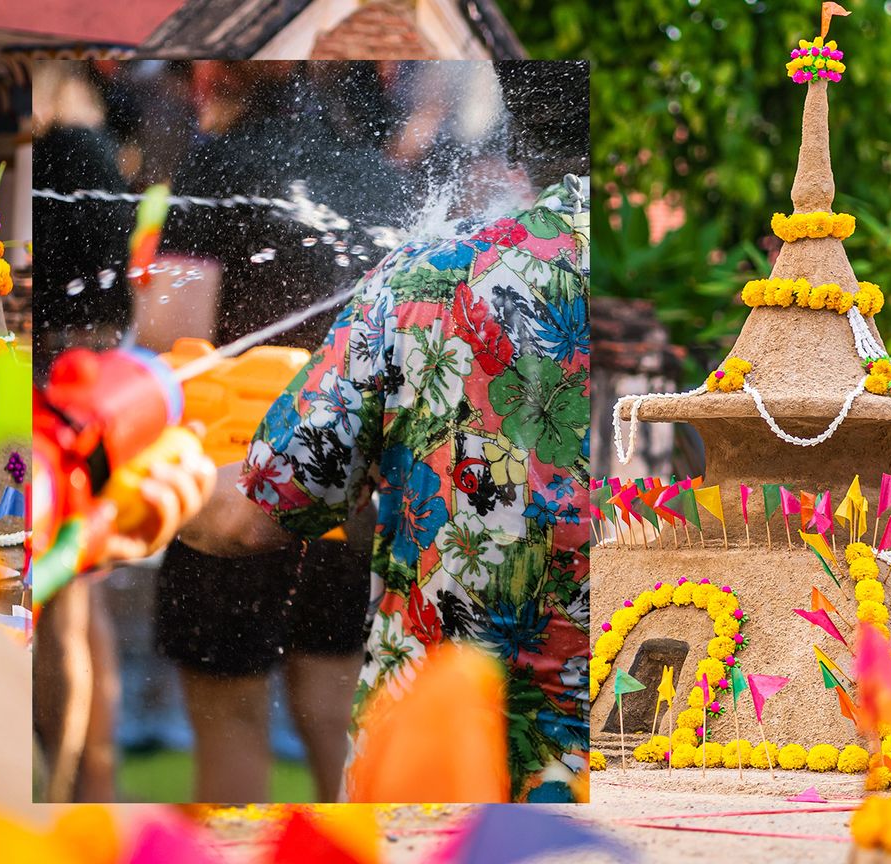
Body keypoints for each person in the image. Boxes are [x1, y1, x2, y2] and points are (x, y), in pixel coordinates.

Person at [179, 61, 592, 802]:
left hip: (439, 774)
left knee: (233, 720)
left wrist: (151, 479)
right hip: (620, 763)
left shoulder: (429, 275)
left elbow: (254, 511)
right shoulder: (694, 284)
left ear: (520, 129)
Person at [148, 62, 403, 803]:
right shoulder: (380, 180)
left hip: (232, 484)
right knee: (336, 716)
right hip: (349, 495)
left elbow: (175, 330)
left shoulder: (216, 164)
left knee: (231, 722)